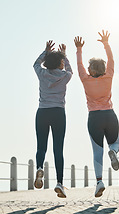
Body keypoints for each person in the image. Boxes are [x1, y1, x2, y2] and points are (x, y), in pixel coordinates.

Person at [74, 30, 119, 197]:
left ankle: (99, 181)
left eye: (88, 67)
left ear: (91, 70)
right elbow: (112, 61)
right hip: (110, 115)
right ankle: (114, 153)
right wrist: (106, 44)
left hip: (94, 118)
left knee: (97, 151)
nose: (86, 69)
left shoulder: (86, 80)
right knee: (115, 144)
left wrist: (79, 49)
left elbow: (79, 67)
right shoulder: (109, 77)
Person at [33, 40, 73, 198]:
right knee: (58, 149)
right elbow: (71, 70)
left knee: (41, 146)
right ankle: (59, 183)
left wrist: (45, 52)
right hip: (58, 113)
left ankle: (39, 167)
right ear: (61, 63)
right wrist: (65, 55)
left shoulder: (41, 73)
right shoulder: (64, 76)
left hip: (42, 112)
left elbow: (36, 63)